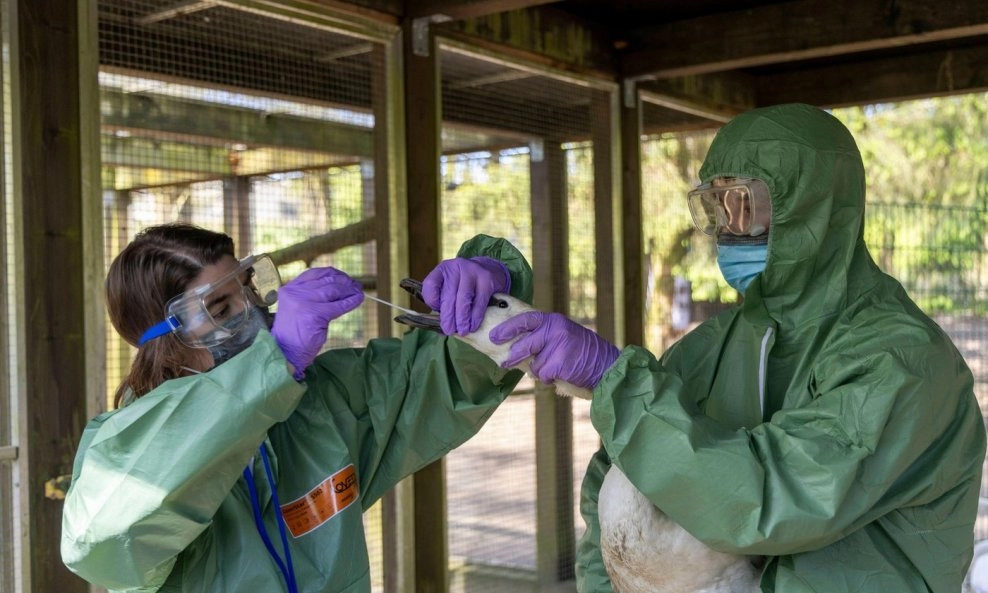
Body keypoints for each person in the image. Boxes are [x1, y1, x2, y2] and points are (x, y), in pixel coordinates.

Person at [490, 103, 987, 592]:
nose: (729, 224)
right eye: (716, 203)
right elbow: (615, 496)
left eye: (747, 202)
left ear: (817, 206)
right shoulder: (703, 352)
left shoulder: (901, 359)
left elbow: (774, 501)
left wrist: (620, 385)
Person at [60, 222, 533, 593]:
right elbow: (101, 543)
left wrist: (489, 287)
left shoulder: (322, 402)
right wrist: (270, 369)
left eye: (247, 287)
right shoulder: (125, 448)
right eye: (221, 309)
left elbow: (448, 376)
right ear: (163, 344)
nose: (254, 310)